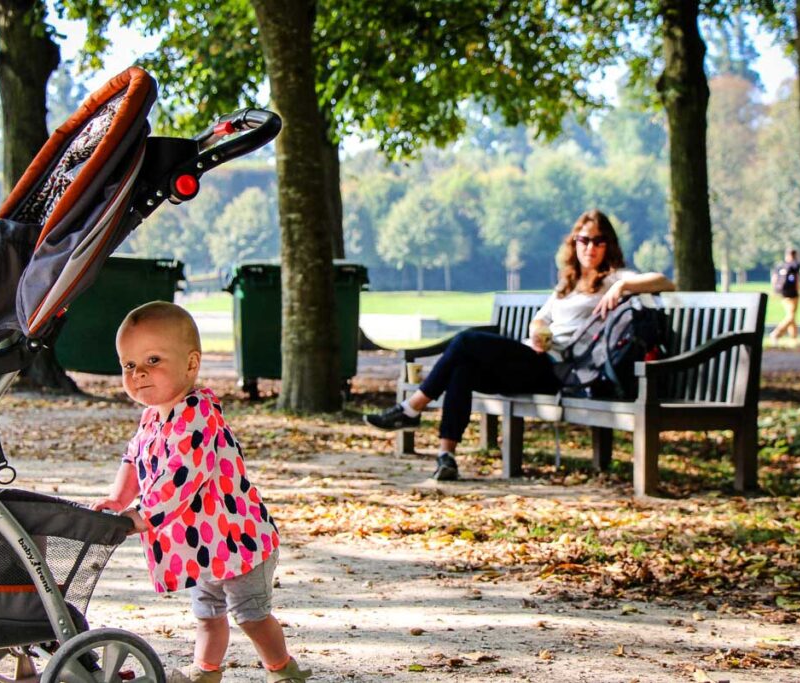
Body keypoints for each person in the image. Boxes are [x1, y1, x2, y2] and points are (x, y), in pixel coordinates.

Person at [363, 209, 675, 481]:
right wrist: (538, 330)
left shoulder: (611, 278)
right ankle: (446, 456)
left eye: (598, 240)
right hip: (535, 356)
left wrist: (622, 285)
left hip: (559, 370)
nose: (590, 247)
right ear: (574, 243)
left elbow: (665, 281)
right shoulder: (566, 284)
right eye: (584, 240)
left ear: (608, 245)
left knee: (466, 340)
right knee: (464, 366)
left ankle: (412, 408)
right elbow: (540, 319)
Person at [93, 302, 310, 683]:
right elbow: (133, 458)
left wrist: (143, 514)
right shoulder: (152, 416)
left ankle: (283, 670)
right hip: (205, 545)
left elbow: (181, 476)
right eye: (128, 365)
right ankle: (205, 672)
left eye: (153, 359)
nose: (138, 372)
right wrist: (118, 499)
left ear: (191, 364)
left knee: (251, 615)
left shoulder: (197, 414)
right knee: (207, 613)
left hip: (240, 541)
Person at [770, 248, 800, 344]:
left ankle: (794, 338)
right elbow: (798, 279)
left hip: (783, 294)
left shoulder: (780, 266)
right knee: (791, 316)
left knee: (791, 315)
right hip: (793, 294)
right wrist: (799, 290)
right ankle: (776, 334)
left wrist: (775, 290)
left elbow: (774, 279)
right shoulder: (795, 266)